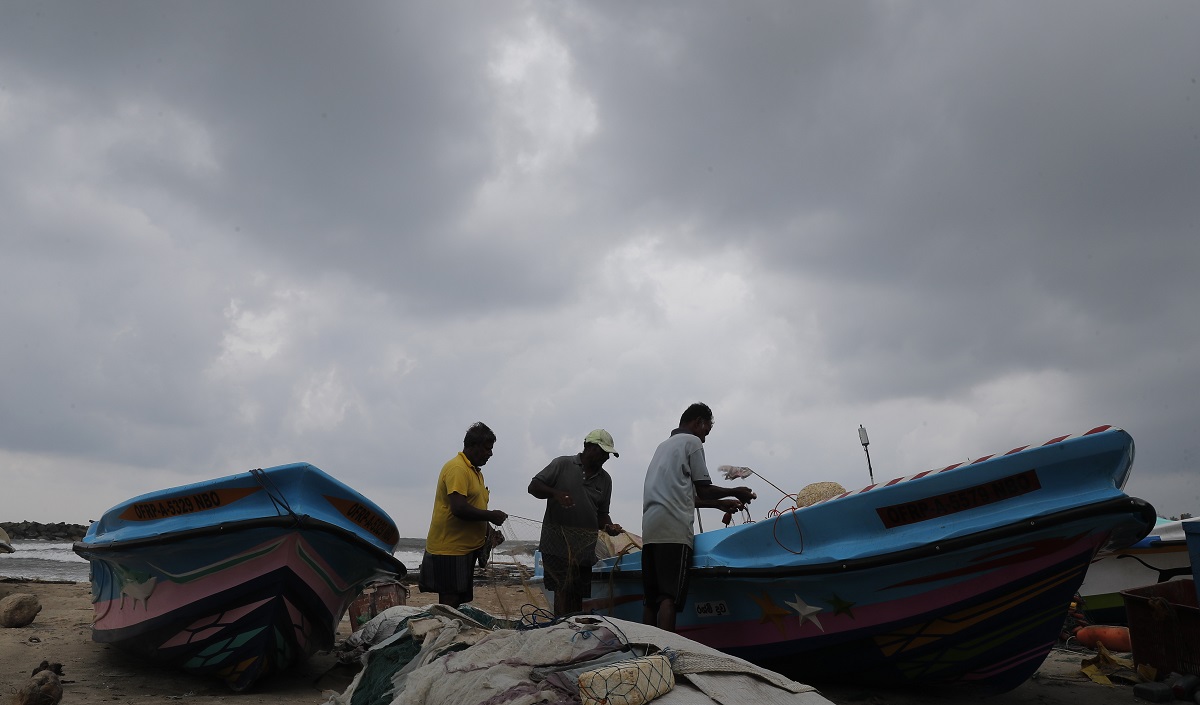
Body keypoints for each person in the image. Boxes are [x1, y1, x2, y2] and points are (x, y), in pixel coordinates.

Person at [641, 403, 756, 631]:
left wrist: (719, 505)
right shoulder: (691, 442)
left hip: (651, 529)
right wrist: (736, 490)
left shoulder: (662, 447)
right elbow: (704, 489)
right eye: (705, 432)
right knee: (668, 597)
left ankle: (646, 653)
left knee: (651, 598)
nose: (704, 439)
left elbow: (688, 497)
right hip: (674, 531)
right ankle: (664, 654)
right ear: (698, 423)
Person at [528, 428, 624, 616]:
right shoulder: (562, 464)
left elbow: (602, 516)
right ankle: (560, 630)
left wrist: (609, 527)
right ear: (588, 446)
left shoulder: (605, 480)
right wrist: (555, 494)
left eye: (608, 454)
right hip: (556, 546)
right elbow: (534, 487)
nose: (606, 457)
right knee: (562, 592)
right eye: (602, 451)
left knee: (577, 597)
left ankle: (570, 631)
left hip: (584, 550)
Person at [419, 421, 509, 607]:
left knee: (460, 600)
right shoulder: (458, 469)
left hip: (465, 550)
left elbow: (476, 505)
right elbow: (459, 508)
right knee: (450, 601)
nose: (490, 454)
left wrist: (490, 531)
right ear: (472, 446)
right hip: (450, 549)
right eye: (486, 448)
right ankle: (444, 635)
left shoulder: (475, 472)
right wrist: (491, 515)